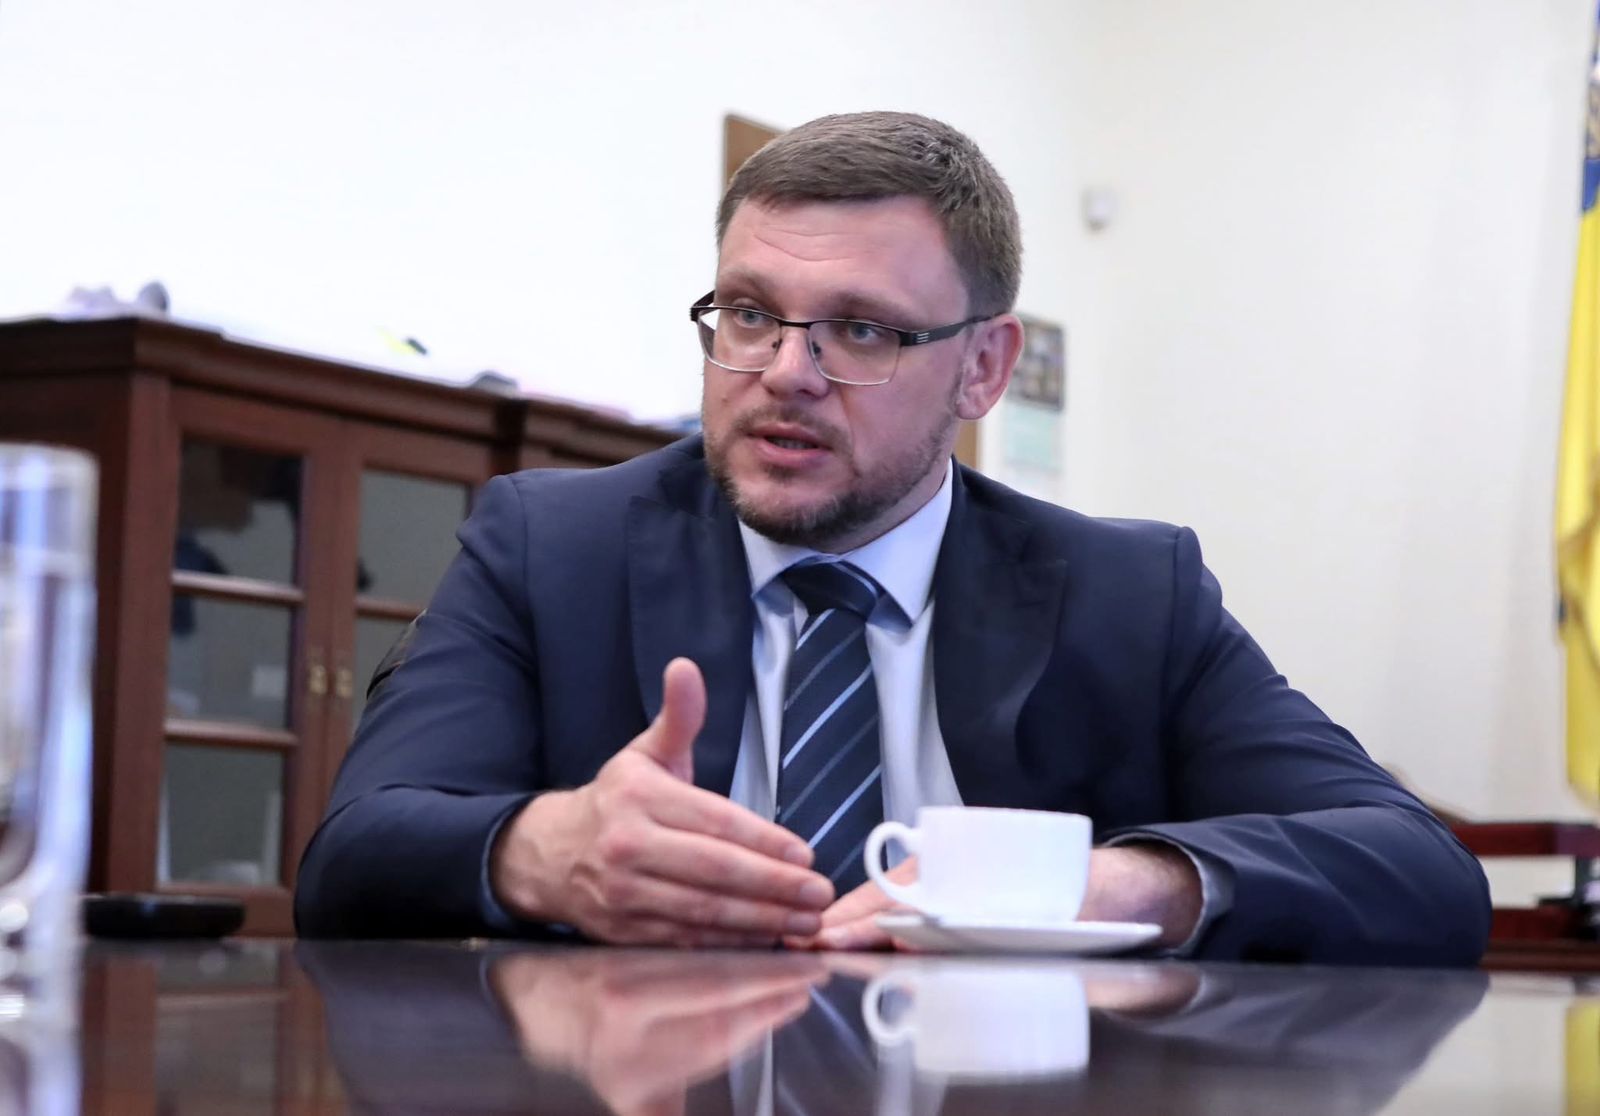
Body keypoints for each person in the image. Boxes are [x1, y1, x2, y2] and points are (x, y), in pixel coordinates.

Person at [295, 111, 1490, 964]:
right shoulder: (550, 547)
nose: (786, 373)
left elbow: (1417, 868)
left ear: (984, 367)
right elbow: (351, 855)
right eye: (750, 314)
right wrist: (541, 850)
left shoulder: (1128, 592)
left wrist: (1120, 887)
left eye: (862, 332)